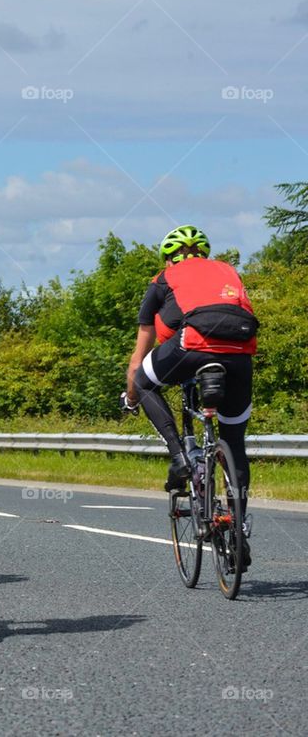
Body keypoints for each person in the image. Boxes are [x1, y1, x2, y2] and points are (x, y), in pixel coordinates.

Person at [124, 225, 256, 568]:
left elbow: (140, 355)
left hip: (192, 347)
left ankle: (180, 456)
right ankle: (238, 528)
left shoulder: (162, 279)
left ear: (169, 258)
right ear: (204, 254)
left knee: (144, 381)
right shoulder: (227, 271)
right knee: (234, 444)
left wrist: (131, 398)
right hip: (240, 354)